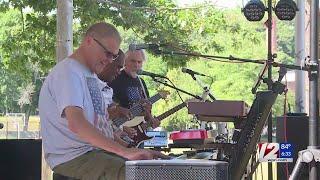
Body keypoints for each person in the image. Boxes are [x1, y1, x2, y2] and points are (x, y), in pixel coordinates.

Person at [39, 22, 167, 180]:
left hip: (93, 153)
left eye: (113, 56)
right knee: (142, 175)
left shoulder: (90, 75)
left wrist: (130, 149)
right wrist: (125, 152)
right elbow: (76, 123)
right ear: (89, 41)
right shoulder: (68, 72)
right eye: (108, 53)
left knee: (157, 168)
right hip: (74, 158)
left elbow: (99, 125)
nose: (109, 60)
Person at [109, 49, 160, 140]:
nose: (136, 65)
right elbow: (108, 108)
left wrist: (151, 119)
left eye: (139, 62)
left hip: (138, 131)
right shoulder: (115, 78)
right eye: (133, 61)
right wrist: (121, 128)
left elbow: (145, 108)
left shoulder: (141, 82)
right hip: (118, 131)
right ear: (125, 61)